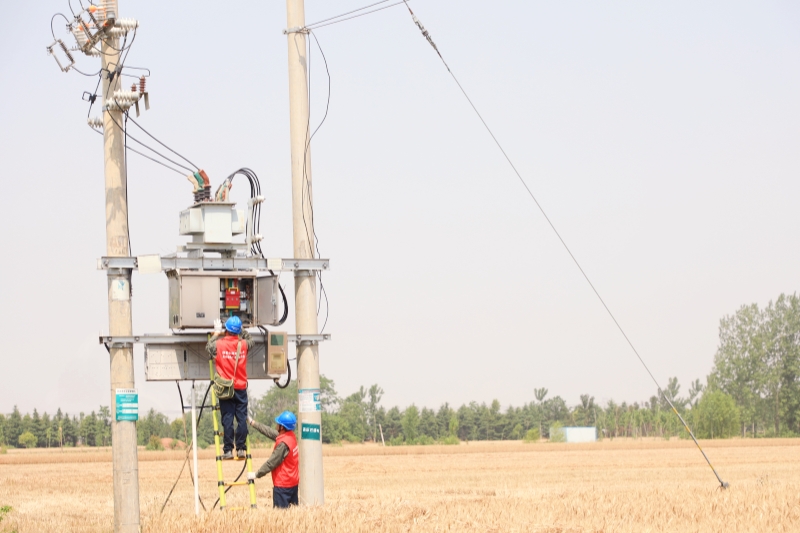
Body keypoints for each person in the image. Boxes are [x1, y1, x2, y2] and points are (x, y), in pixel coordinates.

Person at [207, 316, 253, 460]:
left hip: (226, 388)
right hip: (240, 388)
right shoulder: (244, 344)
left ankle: (228, 450)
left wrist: (216, 332)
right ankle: (240, 448)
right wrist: (242, 329)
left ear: (226, 330)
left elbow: (208, 347)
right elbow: (251, 340)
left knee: (227, 419)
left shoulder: (219, 345)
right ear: (238, 331)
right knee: (241, 418)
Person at [248, 411, 300, 508]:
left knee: (281, 517)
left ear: (282, 427)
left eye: (278, 423)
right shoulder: (290, 436)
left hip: (283, 487)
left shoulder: (283, 445)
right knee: (293, 517)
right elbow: (269, 432)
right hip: (293, 483)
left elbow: (271, 463)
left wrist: (256, 474)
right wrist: (252, 423)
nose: (276, 424)